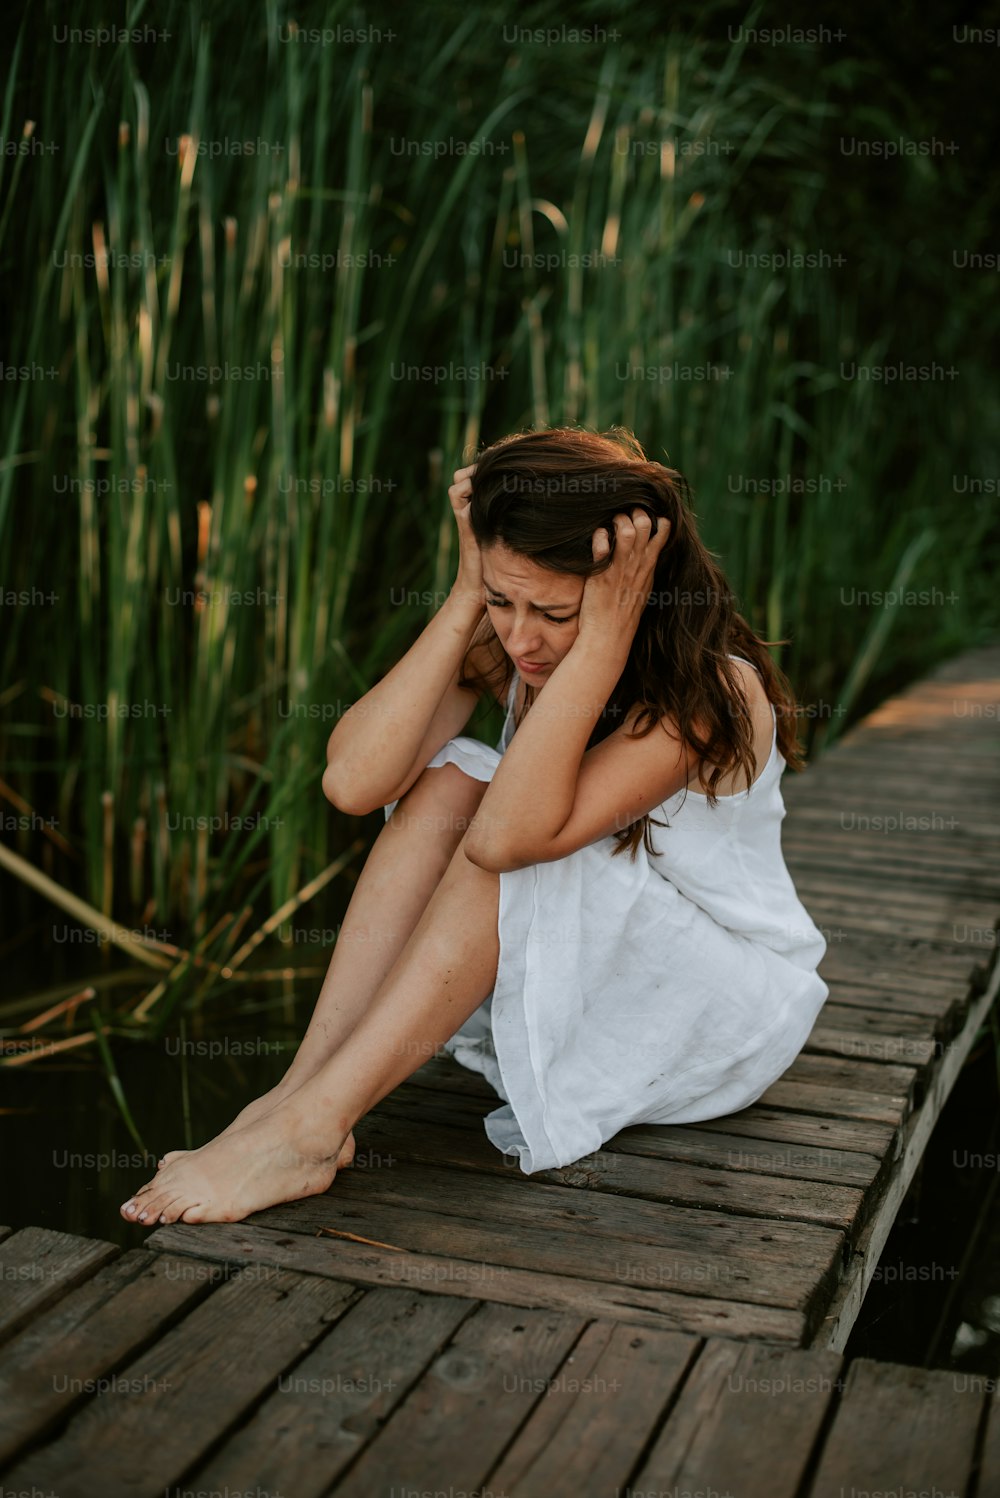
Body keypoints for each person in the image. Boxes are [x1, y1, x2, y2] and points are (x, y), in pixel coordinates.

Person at [120, 425, 828, 1227]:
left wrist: (600, 642)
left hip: (721, 1016)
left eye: (553, 611)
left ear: (631, 591)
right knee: (455, 778)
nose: (520, 637)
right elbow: (354, 782)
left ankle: (312, 1129)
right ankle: (297, 1099)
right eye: (502, 599)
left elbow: (505, 843)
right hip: (615, 980)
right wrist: (466, 598)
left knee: (514, 830)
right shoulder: (520, 643)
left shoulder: (710, 693)